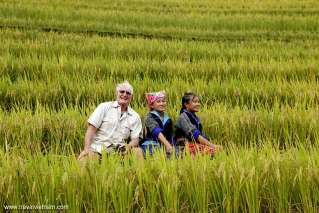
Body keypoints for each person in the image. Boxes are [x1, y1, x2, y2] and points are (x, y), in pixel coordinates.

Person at [78, 81, 143, 161]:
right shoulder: (104, 107)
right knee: (85, 160)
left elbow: (135, 139)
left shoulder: (135, 116)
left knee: (138, 152)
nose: (125, 94)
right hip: (98, 150)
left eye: (128, 93)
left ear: (131, 97)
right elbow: (91, 129)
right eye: (122, 91)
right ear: (116, 93)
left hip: (120, 151)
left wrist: (129, 146)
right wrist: (86, 149)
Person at [174, 92, 222, 157]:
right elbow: (195, 135)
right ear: (186, 104)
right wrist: (212, 145)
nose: (198, 104)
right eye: (195, 102)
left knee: (219, 150)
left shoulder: (195, 118)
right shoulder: (183, 117)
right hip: (183, 148)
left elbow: (202, 135)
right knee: (213, 151)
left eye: (198, 102)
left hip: (194, 145)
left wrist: (211, 144)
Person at [141, 91, 174, 157]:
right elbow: (156, 131)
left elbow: (170, 135)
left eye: (163, 101)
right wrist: (167, 145)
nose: (162, 103)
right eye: (158, 101)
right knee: (159, 154)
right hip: (151, 144)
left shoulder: (167, 118)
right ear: (152, 105)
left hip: (164, 145)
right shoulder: (149, 117)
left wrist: (172, 145)